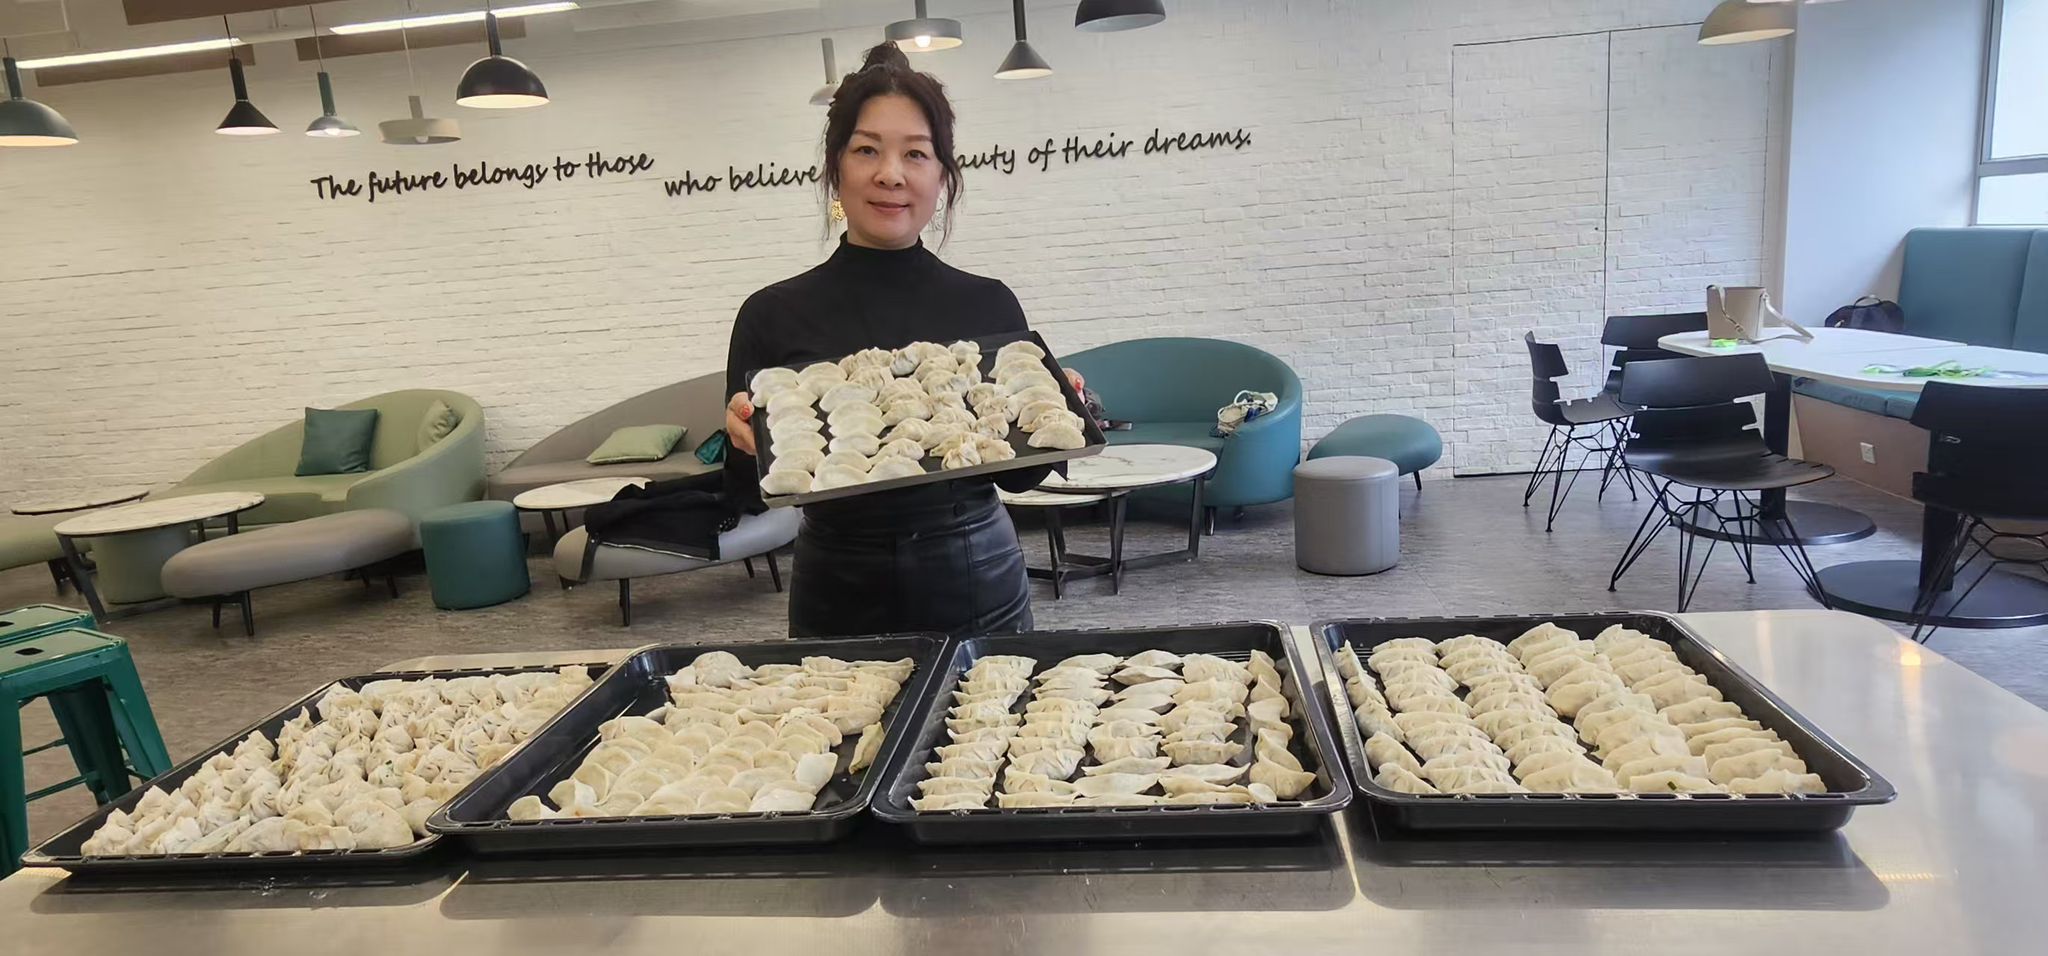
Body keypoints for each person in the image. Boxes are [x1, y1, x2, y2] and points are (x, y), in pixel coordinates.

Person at [722, 42, 1080, 639]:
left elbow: (1019, 476)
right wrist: (740, 443)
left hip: (977, 577)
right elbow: (748, 495)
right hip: (836, 587)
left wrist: (1059, 406)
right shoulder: (771, 314)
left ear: (942, 175)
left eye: (915, 153)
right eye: (867, 150)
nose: (891, 173)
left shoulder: (986, 302)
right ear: (836, 168)